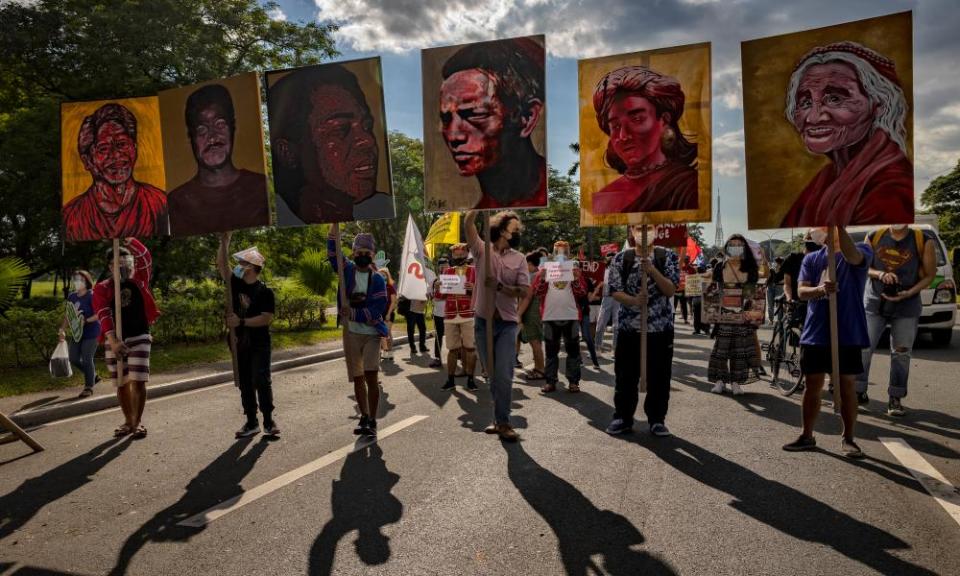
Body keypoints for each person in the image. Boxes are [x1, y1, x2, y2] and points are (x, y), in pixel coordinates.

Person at [780, 42, 913, 227]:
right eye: (805, 102)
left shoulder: (890, 186)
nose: (814, 117)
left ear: (879, 105)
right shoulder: (828, 177)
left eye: (835, 99)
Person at [783, 226, 871, 458]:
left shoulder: (861, 250)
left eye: (827, 227)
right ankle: (807, 435)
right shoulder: (811, 258)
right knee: (813, 384)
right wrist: (820, 289)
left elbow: (855, 257)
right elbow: (802, 291)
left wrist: (838, 224)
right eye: (819, 228)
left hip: (848, 331)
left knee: (846, 385)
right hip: (816, 332)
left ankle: (849, 438)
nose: (821, 231)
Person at [269, 64, 394, 225]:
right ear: (287, 152)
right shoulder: (274, 216)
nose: (368, 141)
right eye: (341, 130)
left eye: (367, 126)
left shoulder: (381, 206)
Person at [439, 38, 546, 209]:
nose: (454, 135)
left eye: (475, 114)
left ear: (527, 117)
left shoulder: (549, 192)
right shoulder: (480, 211)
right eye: (446, 119)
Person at [590, 66, 698, 215]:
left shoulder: (688, 186)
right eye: (615, 126)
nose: (623, 135)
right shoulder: (603, 198)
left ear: (664, 120)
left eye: (637, 119)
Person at [605, 225, 679, 437]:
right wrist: (634, 301)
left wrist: (652, 270)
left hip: (660, 329)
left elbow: (670, 289)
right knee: (625, 377)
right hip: (629, 328)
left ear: (656, 232)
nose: (643, 232)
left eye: (648, 228)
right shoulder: (621, 259)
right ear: (630, 233)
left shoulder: (667, 257)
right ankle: (623, 417)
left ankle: (657, 419)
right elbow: (615, 291)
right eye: (638, 228)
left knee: (659, 376)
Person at [167, 84, 269, 236]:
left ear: (233, 127)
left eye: (220, 124)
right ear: (191, 138)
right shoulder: (176, 202)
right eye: (202, 129)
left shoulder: (259, 187)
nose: (213, 137)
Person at [856, 225, 936, 416]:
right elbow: (865, 266)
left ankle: (895, 398)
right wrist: (881, 274)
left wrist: (909, 292)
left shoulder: (922, 239)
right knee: (863, 348)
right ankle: (858, 391)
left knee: (901, 353)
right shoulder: (874, 235)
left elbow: (930, 275)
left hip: (907, 304)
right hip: (874, 302)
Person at [466, 209, 530, 441]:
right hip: (483, 322)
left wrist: (501, 287)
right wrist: (477, 207)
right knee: (492, 374)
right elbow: (468, 226)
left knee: (504, 373)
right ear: (501, 229)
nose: (514, 231)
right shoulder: (482, 250)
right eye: (511, 226)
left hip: (507, 325)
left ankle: (504, 423)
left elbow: (524, 291)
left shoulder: (519, 259)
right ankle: (497, 418)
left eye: (516, 228)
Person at [64, 103, 169, 241]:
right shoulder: (72, 215)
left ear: (135, 148)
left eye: (122, 144)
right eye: (104, 148)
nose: (116, 155)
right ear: (87, 161)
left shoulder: (158, 203)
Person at [93, 238, 158, 439]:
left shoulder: (139, 279)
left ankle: (137, 423)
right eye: (116, 263)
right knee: (121, 382)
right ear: (109, 266)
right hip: (115, 338)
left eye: (125, 262)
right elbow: (103, 312)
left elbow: (145, 257)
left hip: (139, 335)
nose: (121, 266)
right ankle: (128, 421)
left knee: (138, 381)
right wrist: (112, 340)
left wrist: (128, 238)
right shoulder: (103, 288)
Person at [329, 231, 389, 437]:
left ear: (372, 255)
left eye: (367, 252)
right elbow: (333, 256)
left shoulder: (378, 279)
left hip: (372, 333)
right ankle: (363, 415)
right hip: (351, 334)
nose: (363, 255)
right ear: (353, 253)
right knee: (357, 378)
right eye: (359, 251)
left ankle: (372, 419)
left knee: (371, 376)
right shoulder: (347, 271)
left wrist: (353, 312)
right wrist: (331, 233)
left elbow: (378, 307)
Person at [217, 239, 278, 439]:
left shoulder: (265, 291)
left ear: (253, 267)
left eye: (243, 264)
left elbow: (266, 318)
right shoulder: (236, 283)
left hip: (259, 342)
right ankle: (251, 422)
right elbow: (222, 266)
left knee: (261, 379)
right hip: (239, 342)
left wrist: (240, 322)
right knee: (244, 382)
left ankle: (269, 421)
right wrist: (224, 241)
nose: (239, 267)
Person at [708, 235, 761, 395]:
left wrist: (753, 314)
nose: (736, 247)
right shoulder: (719, 267)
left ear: (744, 248)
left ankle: (736, 382)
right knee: (721, 348)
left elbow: (752, 295)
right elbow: (712, 291)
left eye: (739, 244)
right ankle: (719, 381)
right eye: (732, 244)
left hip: (742, 315)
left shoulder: (751, 269)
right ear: (726, 247)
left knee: (740, 350)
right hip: (723, 314)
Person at [532, 241, 588, 393]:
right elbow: (537, 293)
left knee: (573, 351)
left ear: (569, 253)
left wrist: (576, 279)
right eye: (558, 251)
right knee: (551, 352)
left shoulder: (574, 269)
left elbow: (582, 293)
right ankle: (550, 382)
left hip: (571, 316)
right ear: (553, 253)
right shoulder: (545, 269)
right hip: (550, 317)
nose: (561, 254)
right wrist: (543, 278)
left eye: (564, 251)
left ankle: (574, 382)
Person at [435, 244, 478, 391]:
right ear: (452, 256)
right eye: (456, 254)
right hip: (451, 313)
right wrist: (438, 287)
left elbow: (483, 293)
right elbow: (440, 296)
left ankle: (471, 379)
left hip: (469, 314)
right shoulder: (447, 272)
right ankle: (450, 380)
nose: (459, 257)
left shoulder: (474, 271)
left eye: (462, 254)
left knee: (470, 348)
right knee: (452, 349)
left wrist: (474, 289)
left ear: (467, 254)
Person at [58, 270, 101, 398]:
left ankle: (89, 387)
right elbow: (68, 315)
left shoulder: (92, 295)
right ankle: (93, 376)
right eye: (75, 279)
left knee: (87, 358)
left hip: (92, 332)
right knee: (73, 358)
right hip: (77, 333)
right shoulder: (72, 296)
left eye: (80, 279)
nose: (76, 282)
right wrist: (62, 329)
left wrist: (86, 320)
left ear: (86, 281)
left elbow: (99, 314)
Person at [517, 251, 546, 381]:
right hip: (537, 312)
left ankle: (540, 370)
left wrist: (519, 315)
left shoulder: (533, 276)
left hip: (531, 312)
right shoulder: (539, 275)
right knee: (536, 341)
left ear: (529, 263)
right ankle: (539, 368)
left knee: (535, 342)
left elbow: (527, 297)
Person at [594, 247, 619, 350]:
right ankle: (598, 346)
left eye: (614, 257)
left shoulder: (620, 271)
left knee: (617, 326)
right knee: (600, 324)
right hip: (606, 298)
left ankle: (615, 348)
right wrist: (594, 293)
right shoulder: (603, 271)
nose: (612, 259)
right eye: (610, 258)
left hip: (618, 299)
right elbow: (599, 284)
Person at [430, 256, 449, 368]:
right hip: (438, 312)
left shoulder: (454, 277)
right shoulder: (434, 280)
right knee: (439, 335)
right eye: (441, 266)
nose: (443, 268)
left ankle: (459, 356)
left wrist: (441, 297)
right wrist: (431, 294)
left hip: (450, 312)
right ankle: (437, 358)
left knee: (455, 335)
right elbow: (432, 295)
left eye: (445, 265)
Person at [379, 269, 397, 361]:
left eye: (384, 275)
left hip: (388, 313)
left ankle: (390, 352)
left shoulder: (390, 287)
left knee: (387, 332)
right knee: (380, 334)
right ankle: (384, 352)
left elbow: (393, 302)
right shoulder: (376, 287)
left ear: (387, 276)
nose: (383, 277)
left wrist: (388, 314)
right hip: (378, 314)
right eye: (381, 275)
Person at [676, 254, 696, 324]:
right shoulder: (678, 268)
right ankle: (685, 319)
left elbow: (695, 279)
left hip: (685, 290)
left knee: (683, 304)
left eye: (687, 259)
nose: (686, 261)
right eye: (685, 259)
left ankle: (686, 319)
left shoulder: (692, 269)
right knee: (679, 305)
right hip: (678, 289)